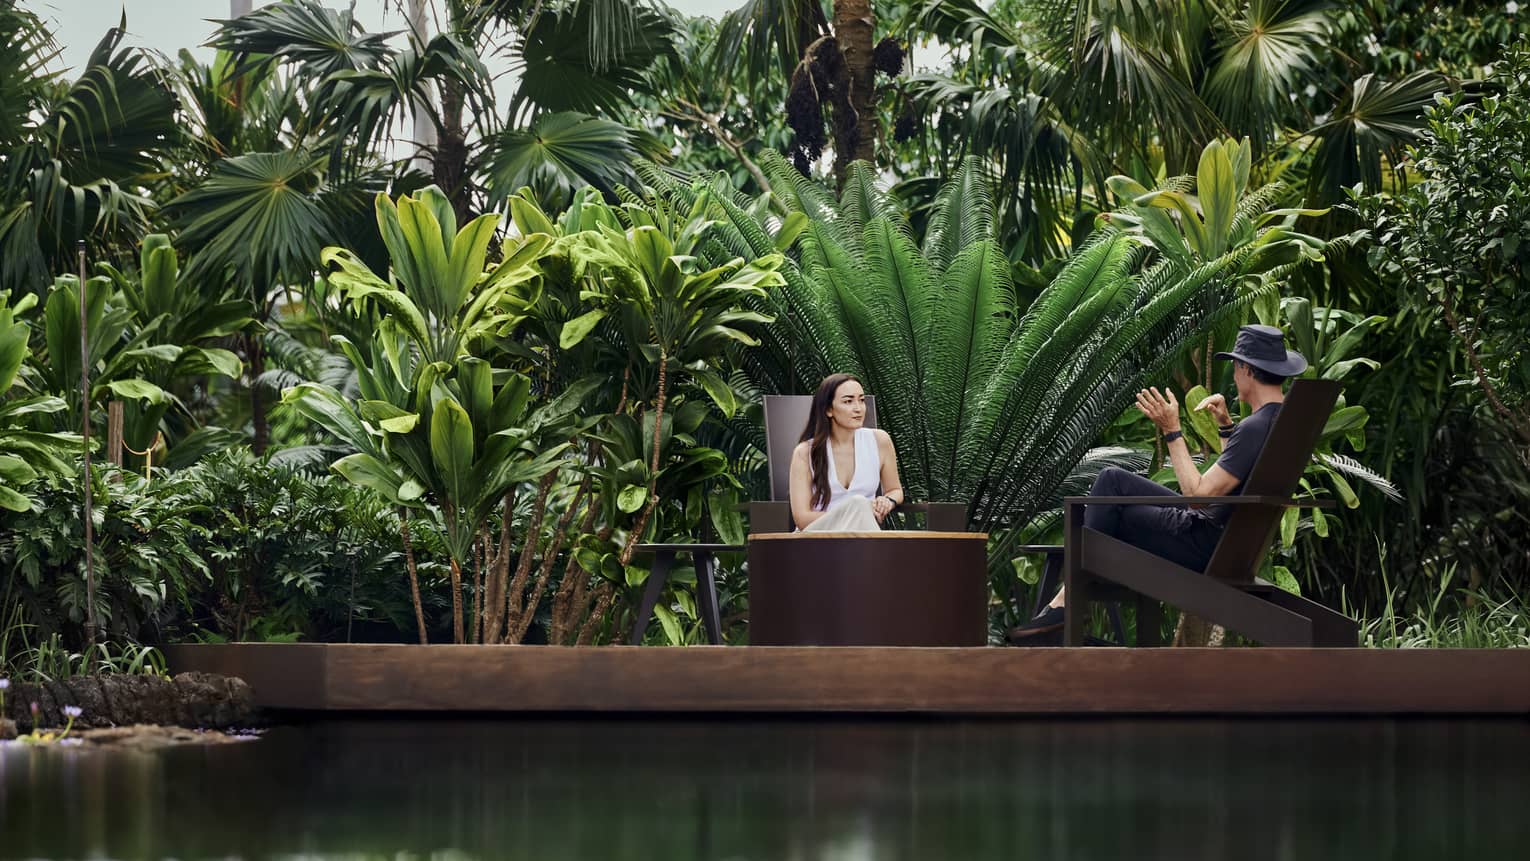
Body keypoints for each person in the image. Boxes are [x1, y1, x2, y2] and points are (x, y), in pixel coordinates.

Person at [1007, 324, 1309, 642]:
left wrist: (1172, 429)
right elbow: (1234, 486)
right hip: (1228, 540)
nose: (1234, 374)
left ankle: (1066, 605)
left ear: (1246, 369)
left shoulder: (1255, 427)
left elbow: (1198, 497)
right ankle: (1066, 604)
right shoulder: (1279, 422)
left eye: (1235, 366)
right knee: (1111, 484)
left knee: (1107, 505)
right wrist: (1224, 426)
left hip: (1203, 541)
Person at [789, 374, 906, 532]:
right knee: (858, 503)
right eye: (848, 401)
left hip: (861, 539)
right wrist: (855, 513)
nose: (858, 408)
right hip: (817, 539)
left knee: (859, 506)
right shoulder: (804, 453)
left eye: (862, 400)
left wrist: (888, 500)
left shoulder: (880, 441)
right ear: (829, 410)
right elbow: (802, 518)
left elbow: (895, 490)